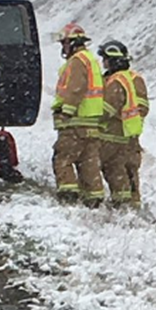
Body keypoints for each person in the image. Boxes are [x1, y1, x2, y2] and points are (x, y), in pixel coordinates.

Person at [51, 23, 105, 205]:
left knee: (63, 158)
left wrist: (66, 112)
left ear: (72, 43)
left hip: (75, 123)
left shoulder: (77, 61)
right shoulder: (90, 60)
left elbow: (75, 88)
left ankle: (68, 198)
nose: (63, 48)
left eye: (64, 43)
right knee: (88, 162)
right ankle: (94, 198)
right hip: (91, 123)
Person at [96, 40, 149, 208]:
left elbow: (107, 109)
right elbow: (143, 107)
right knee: (130, 171)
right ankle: (133, 205)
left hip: (113, 135)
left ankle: (121, 206)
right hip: (132, 134)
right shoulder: (136, 78)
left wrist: (92, 118)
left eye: (105, 58)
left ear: (113, 60)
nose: (103, 63)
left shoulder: (116, 81)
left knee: (114, 168)